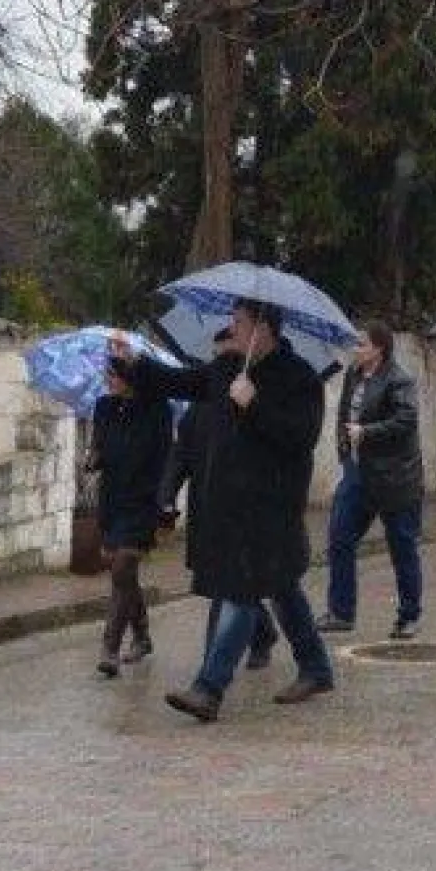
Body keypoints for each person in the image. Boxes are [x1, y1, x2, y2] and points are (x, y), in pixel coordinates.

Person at [110, 301, 336, 723]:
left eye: (239, 323)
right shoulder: (228, 367)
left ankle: (208, 688)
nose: (230, 329)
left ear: (263, 328)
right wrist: (132, 365)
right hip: (232, 506)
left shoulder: (300, 378)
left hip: (273, 508)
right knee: (283, 590)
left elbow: (300, 438)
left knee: (242, 593)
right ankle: (317, 668)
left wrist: (254, 405)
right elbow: (180, 381)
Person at [157, 328, 282, 672]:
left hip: (244, 511)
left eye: (228, 356)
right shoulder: (200, 404)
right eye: (216, 357)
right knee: (223, 585)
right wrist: (166, 498)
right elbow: (180, 454)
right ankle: (263, 631)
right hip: (207, 506)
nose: (220, 364)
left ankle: (209, 674)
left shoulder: (256, 400)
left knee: (228, 584)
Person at [316, 322, 424, 640]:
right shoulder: (353, 375)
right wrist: (344, 451)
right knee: (339, 538)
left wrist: (367, 432)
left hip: (395, 477)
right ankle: (341, 611)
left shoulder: (398, 380)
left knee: (402, 545)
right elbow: (344, 416)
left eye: (361, 344)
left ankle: (409, 614)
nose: (355, 349)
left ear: (379, 348)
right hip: (358, 473)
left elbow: (406, 420)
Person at [86, 367, 173, 678]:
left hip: (143, 501)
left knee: (122, 567)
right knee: (122, 572)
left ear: (133, 378)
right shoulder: (104, 407)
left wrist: (165, 501)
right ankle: (143, 635)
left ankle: (109, 648)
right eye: (107, 374)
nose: (109, 380)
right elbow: (100, 444)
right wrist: (95, 457)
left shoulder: (157, 409)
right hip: (113, 499)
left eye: (115, 375)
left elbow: (166, 456)